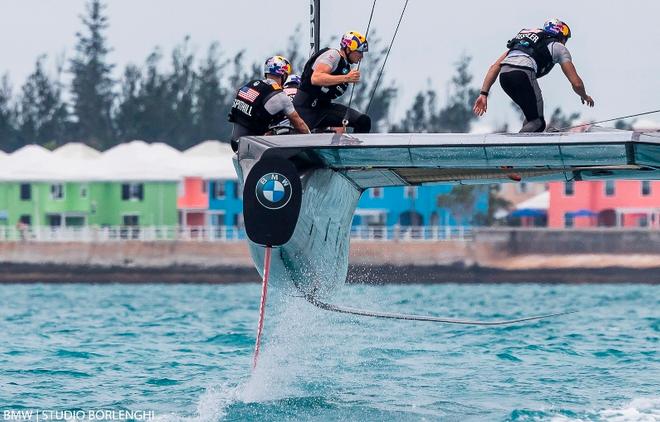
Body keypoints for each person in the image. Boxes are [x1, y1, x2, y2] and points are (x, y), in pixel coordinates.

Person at [473, 18, 594, 132]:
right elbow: (576, 83)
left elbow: (494, 67)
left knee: (531, 116)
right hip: (523, 75)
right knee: (538, 122)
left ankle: (523, 141)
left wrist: (483, 94)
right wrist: (584, 96)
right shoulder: (558, 47)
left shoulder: (521, 44)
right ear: (560, 35)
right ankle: (518, 148)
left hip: (504, 78)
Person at [293, 31, 372, 134]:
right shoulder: (334, 55)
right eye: (359, 52)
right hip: (305, 109)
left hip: (322, 109)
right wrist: (346, 78)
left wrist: (345, 77)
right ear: (348, 49)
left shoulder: (345, 65)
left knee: (363, 121)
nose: (361, 56)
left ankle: (356, 150)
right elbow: (316, 78)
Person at [228, 56, 310, 152]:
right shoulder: (280, 96)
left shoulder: (250, 85)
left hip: (235, 142)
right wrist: (311, 140)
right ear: (284, 76)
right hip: (250, 147)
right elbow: (299, 124)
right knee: (287, 120)